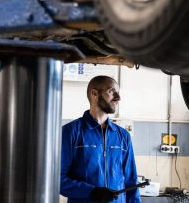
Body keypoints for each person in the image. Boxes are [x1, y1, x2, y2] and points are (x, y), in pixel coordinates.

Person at [60, 75, 141, 203]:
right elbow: (58, 180)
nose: (118, 98)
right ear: (94, 93)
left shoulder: (122, 135)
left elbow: (131, 181)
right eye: (111, 91)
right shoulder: (71, 132)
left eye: (118, 92)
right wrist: (91, 191)